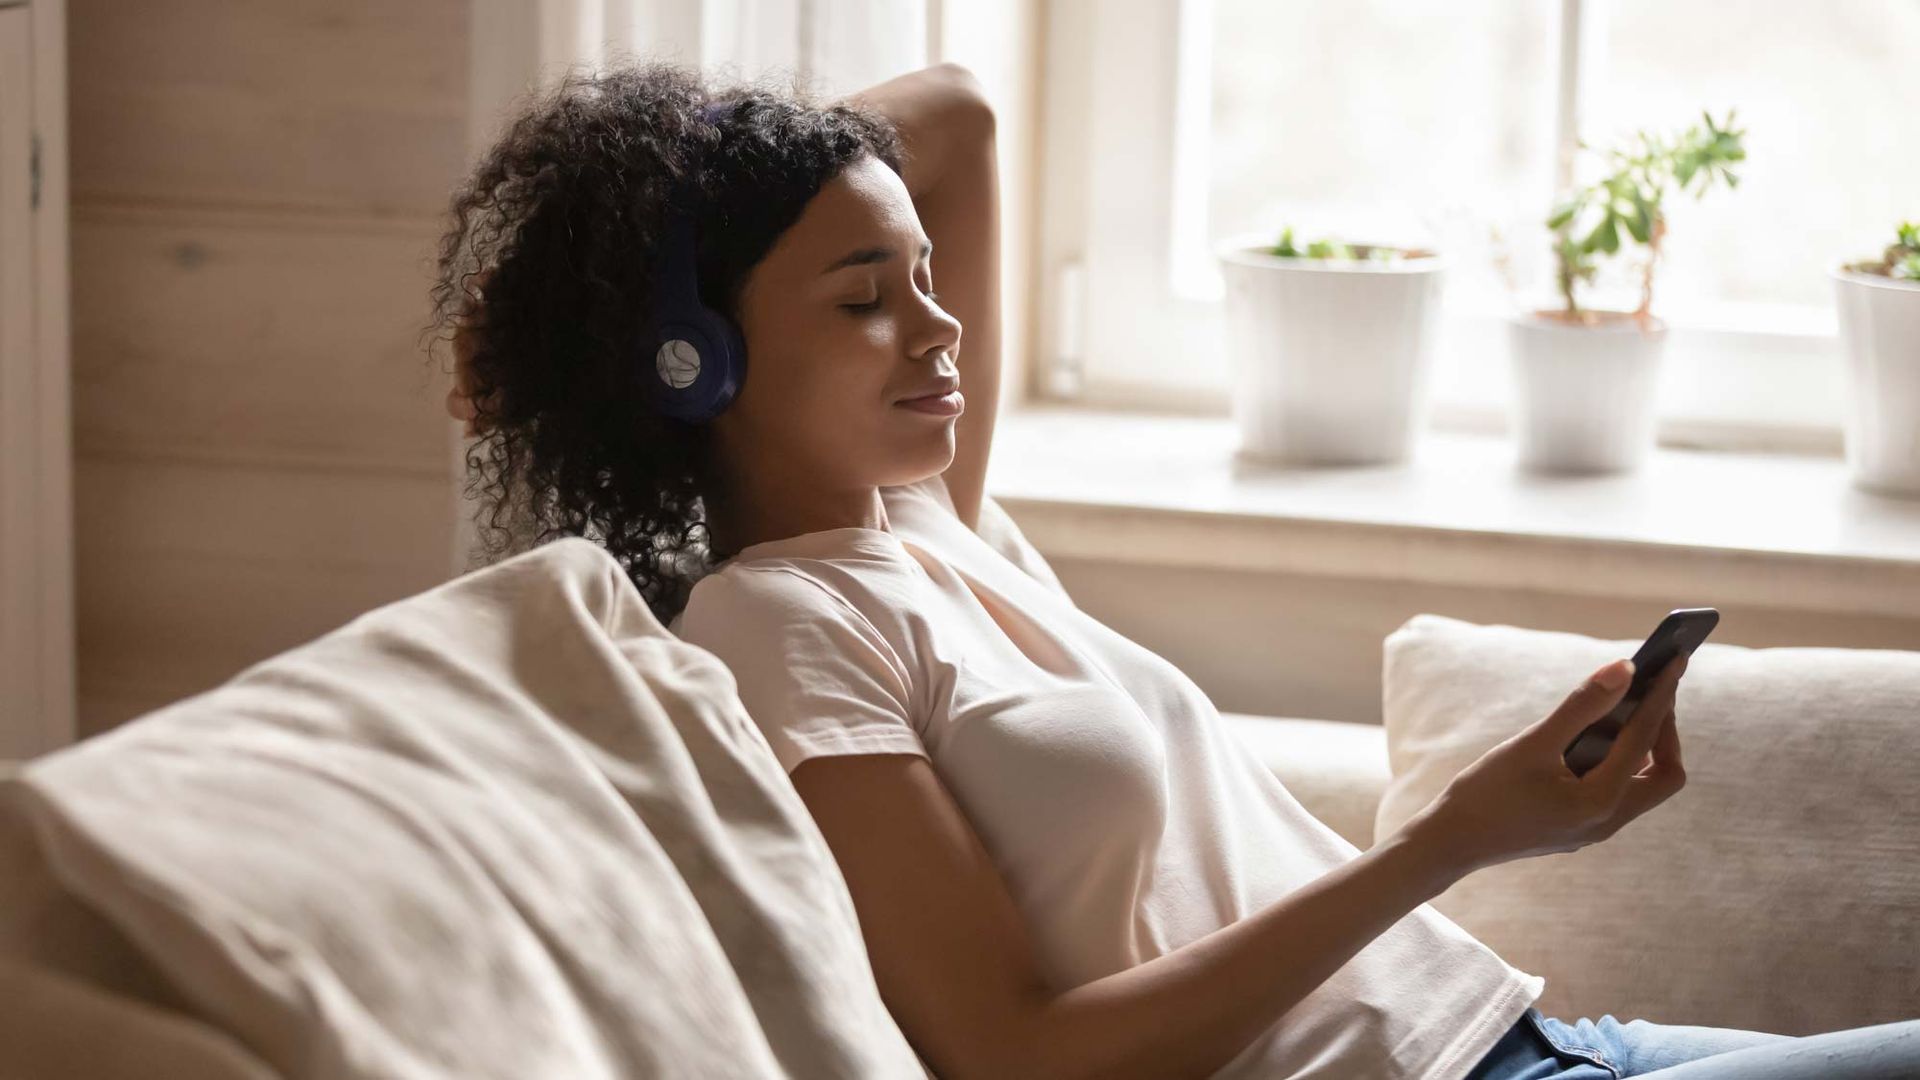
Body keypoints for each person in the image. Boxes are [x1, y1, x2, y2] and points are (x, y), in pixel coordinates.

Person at [428, 59, 1920, 1080]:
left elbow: (950, 121)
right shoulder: (777, 627)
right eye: (868, 298)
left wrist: (629, 248)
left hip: (1543, 1045)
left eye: (929, 279)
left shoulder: (931, 519)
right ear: (700, 368)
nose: (938, 330)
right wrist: (1451, 840)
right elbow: (1016, 1057)